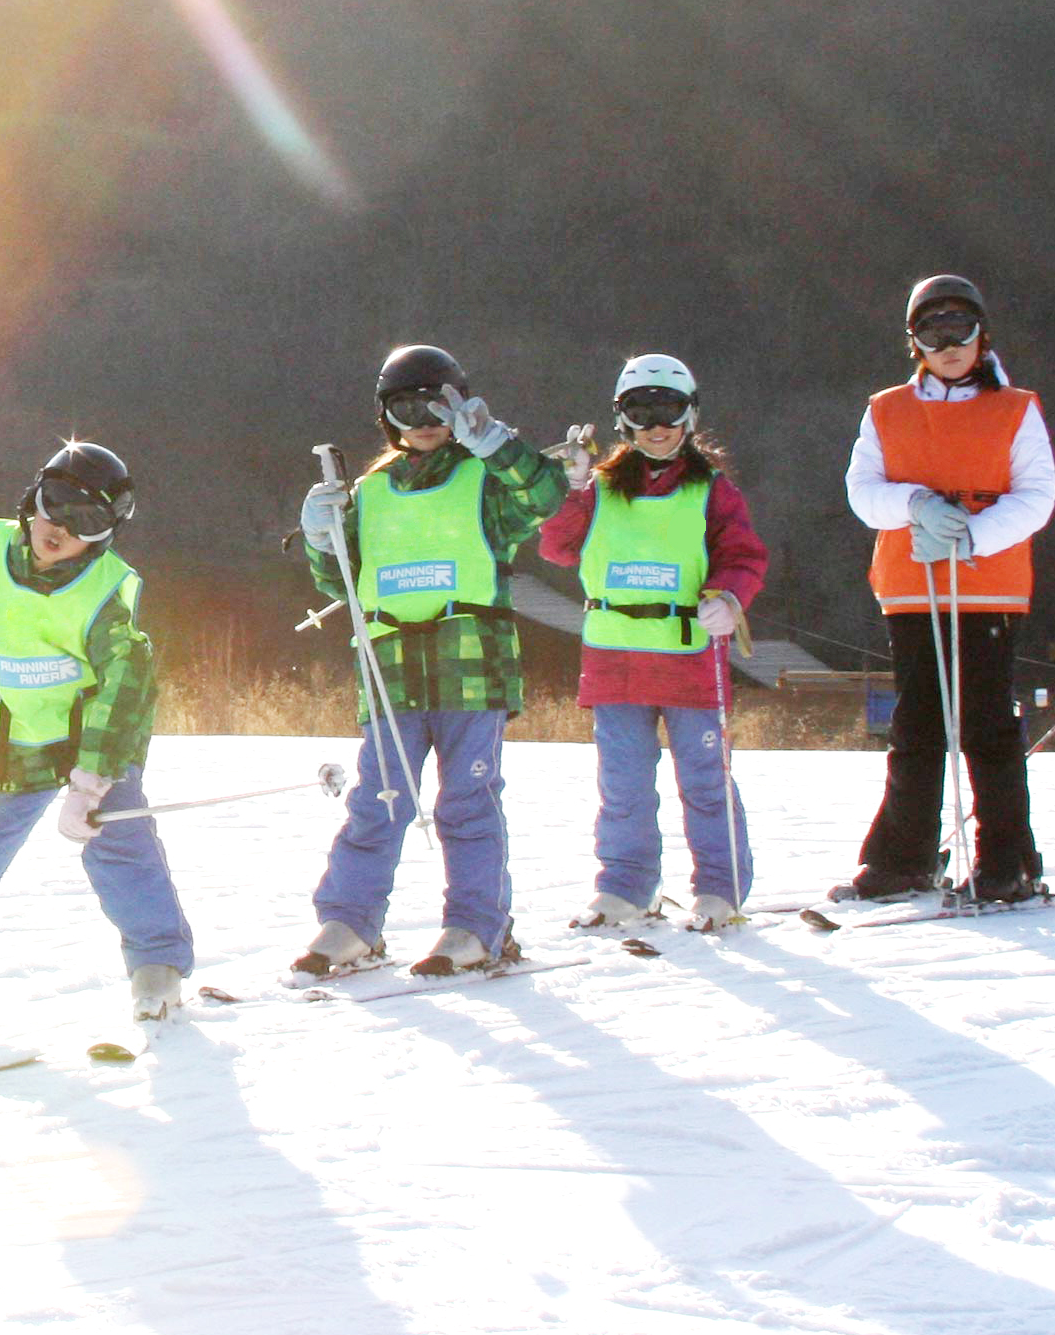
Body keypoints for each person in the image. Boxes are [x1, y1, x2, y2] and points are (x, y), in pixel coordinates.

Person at [294, 342, 573, 976]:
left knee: (466, 801)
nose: (424, 418)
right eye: (406, 405)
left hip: (470, 664)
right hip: (391, 669)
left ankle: (478, 925)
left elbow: (548, 495)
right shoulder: (369, 490)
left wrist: (496, 444)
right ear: (385, 414)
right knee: (380, 799)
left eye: (439, 403)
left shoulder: (485, 478)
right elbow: (342, 581)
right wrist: (320, 534)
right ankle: (351, 921)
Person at [0, 441, 194, 1021]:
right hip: (23, 732)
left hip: (95, 737)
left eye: (87, 520)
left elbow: (125, 686)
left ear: (106, 532)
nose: (60, 527)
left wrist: (93, 780)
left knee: (119, 844)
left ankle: (158, 963)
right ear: (34, 497)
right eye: (55, 504)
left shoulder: (111, 588)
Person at [533, 355, 769, 931]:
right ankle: (624, 886)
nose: (656, 427)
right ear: (622, 420)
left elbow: (742, 556)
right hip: (615, 654)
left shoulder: (712, 489)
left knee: (705, 777)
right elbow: (558, 549)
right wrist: (572, 489)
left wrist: (730, 599)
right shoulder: (601, 487)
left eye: (669, 411)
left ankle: (720, 886)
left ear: (690, 415)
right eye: (642, 414)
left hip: (687, 651)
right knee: (623, 781)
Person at [842, 275, 1055, 901]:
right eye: (933, 333)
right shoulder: (886, 409)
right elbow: (863, 492)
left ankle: (1007, 859)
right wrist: (914, 505)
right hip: (913, 586)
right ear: (915, 342)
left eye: (960, 329)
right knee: (917, 724)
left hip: (986, 587)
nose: (949, 345)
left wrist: (973, 536)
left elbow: (1036, 495)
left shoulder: (1016, 407)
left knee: (987, 723)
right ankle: (904, 856)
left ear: (980, 333)